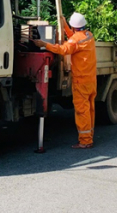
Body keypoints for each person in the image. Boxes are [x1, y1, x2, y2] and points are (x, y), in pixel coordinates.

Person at [33, 12, 97, 149]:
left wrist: (45, 44)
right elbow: (74, 39)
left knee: (82, 111)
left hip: (81, 82)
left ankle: (85, 141)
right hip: (91, 80)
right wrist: (65, 26)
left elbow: (63, 49)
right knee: (90, 109)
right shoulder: (88, 35)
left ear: (74, 27)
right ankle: (89, 135)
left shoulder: (76, 40)